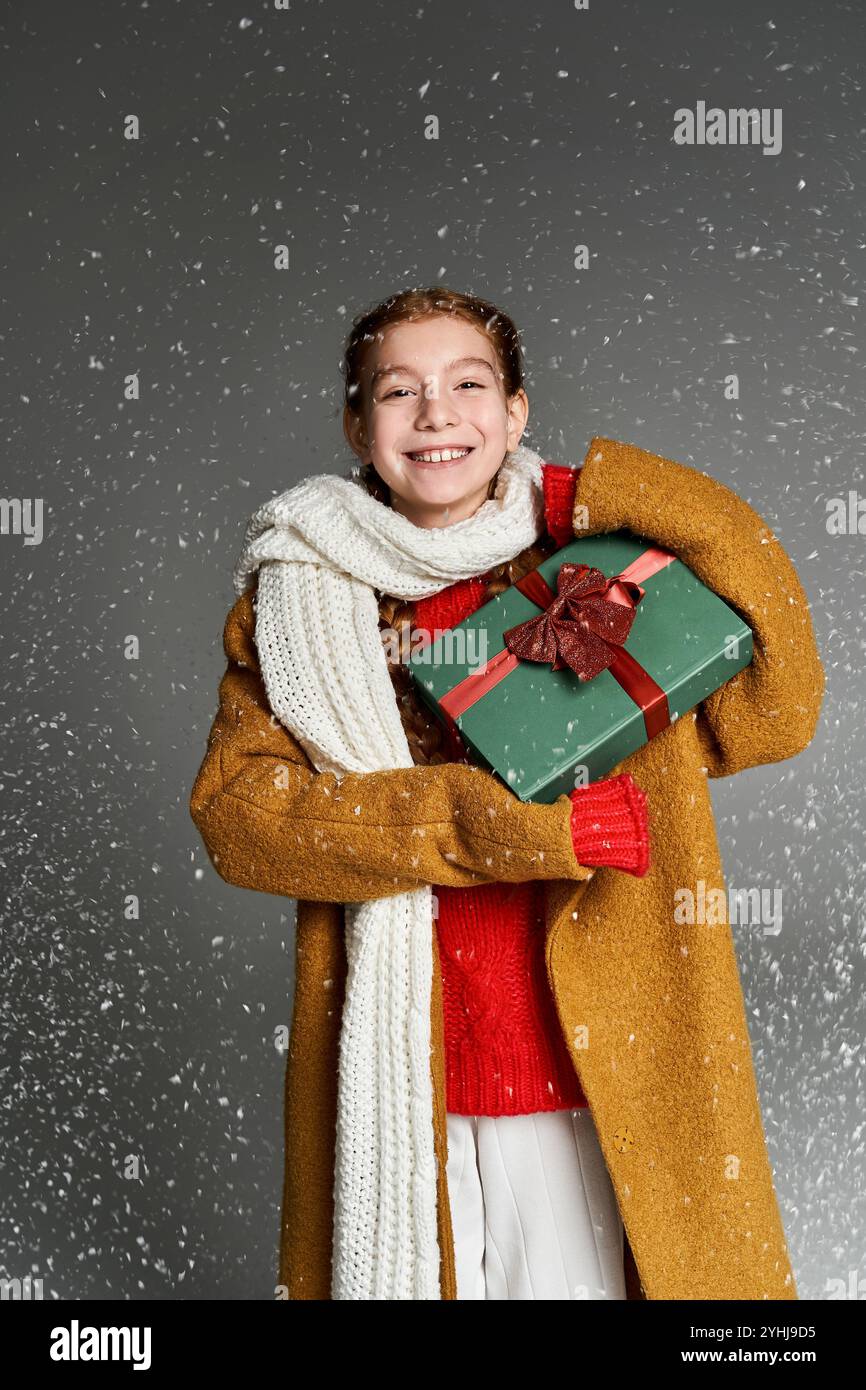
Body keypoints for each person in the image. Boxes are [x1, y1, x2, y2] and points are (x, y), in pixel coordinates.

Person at [190, 286, 825, 1302]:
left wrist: (620, 489)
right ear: (357, 424)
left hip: (594, 1067)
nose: (436, 413)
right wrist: (497, 826)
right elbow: (241, 820)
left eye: (467, 385)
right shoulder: (299, 596)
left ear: (517, 412)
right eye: (398, 391)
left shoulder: (606, 572)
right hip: (402, 1071)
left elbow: (775, 705)